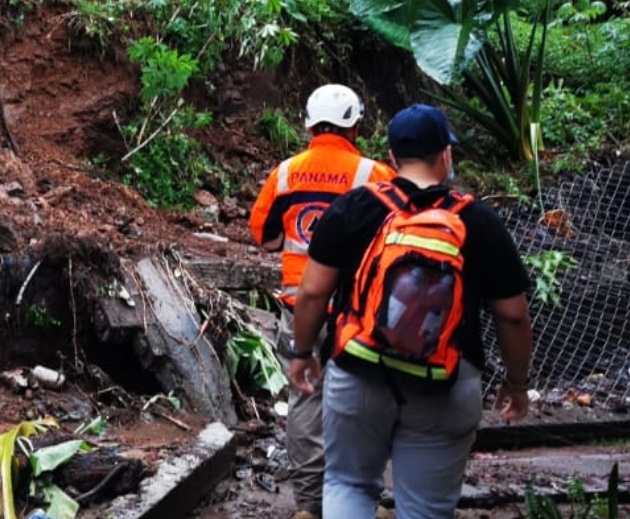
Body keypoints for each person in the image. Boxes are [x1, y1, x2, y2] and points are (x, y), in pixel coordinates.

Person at [290, 103, 533, 519]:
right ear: (446, 154)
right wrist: (516, 381)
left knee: (348, 483)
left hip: (359, 371)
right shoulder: (479, 221)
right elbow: (512, 315)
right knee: (425, 509)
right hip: (446, 381)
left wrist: (301, 352)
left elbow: (312, 294)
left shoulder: (353, 208)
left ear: (391, 156)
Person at [249, 84, 396, 519]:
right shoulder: (376, 175)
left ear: (309, 123)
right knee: (363, 402)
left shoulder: (285, 174)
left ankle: (310, 507)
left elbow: (266, 236)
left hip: (299, 308)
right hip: (358, 311)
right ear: (357, 125)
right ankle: (358, 502)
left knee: (305, 402)